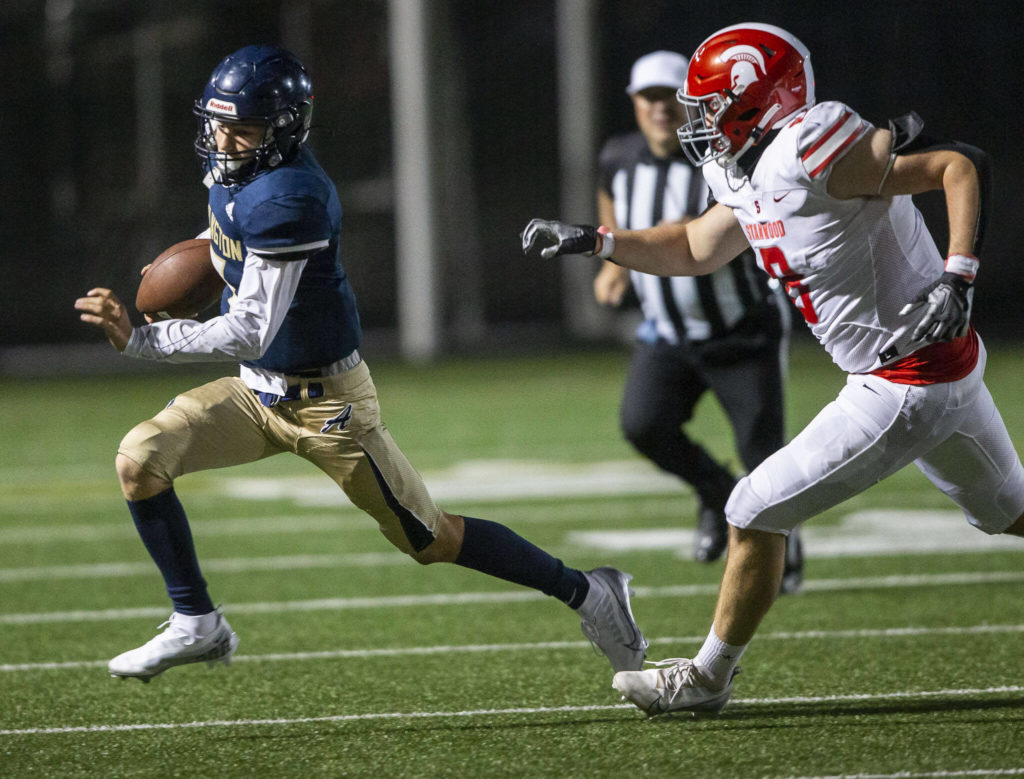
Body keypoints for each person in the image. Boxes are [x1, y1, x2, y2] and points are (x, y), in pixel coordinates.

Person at [74, 44, 647, 683]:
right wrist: (186, 266)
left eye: (244, 129)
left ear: (284, 129)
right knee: (141, 459)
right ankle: (197, 624)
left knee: (430, 540)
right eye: (218, 123)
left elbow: (250, 328)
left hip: (327, 405)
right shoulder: (235, 172)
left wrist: (142, 340)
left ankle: (588, 591)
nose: (225, 140)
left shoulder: (291, 196)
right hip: (255, 394)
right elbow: (222, 238)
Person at [522, 22, 1024, 716]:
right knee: (1010, 511)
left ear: (757, 99)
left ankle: (704, 679)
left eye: (709, 105)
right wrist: (597, 240)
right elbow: (698, 245)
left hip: (905, 379)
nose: (698, 120)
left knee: (752, 508)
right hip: (941, 372)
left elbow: (958, 166)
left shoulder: (810, 148)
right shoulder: (745, 165)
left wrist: (958, 274)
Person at [594, 50, 802, 590]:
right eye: (649, 98)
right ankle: (716, 494)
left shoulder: (728, 156)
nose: (660, 108)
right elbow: (609, 196)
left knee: (764, 455)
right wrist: (616, 263)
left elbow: (758, 218)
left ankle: (784, 550)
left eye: (670, 97)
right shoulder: (619, 156)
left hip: (741, 330)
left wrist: (685, 228)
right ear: (636, 104)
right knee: (645, 425)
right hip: (667, 334)